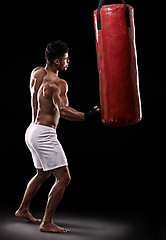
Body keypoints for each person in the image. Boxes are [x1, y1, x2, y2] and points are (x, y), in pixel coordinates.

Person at [15, 40, 100, 233]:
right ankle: (47, 222)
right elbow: (64, 111)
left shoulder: (36, 72)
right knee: (63, 178)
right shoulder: (58, 83)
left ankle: (22, 209)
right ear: (56, 61)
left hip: (31, 130)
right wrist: (87, 117)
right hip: (44, 133)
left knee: (42, 173)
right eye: (65, 59)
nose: (67, 62)